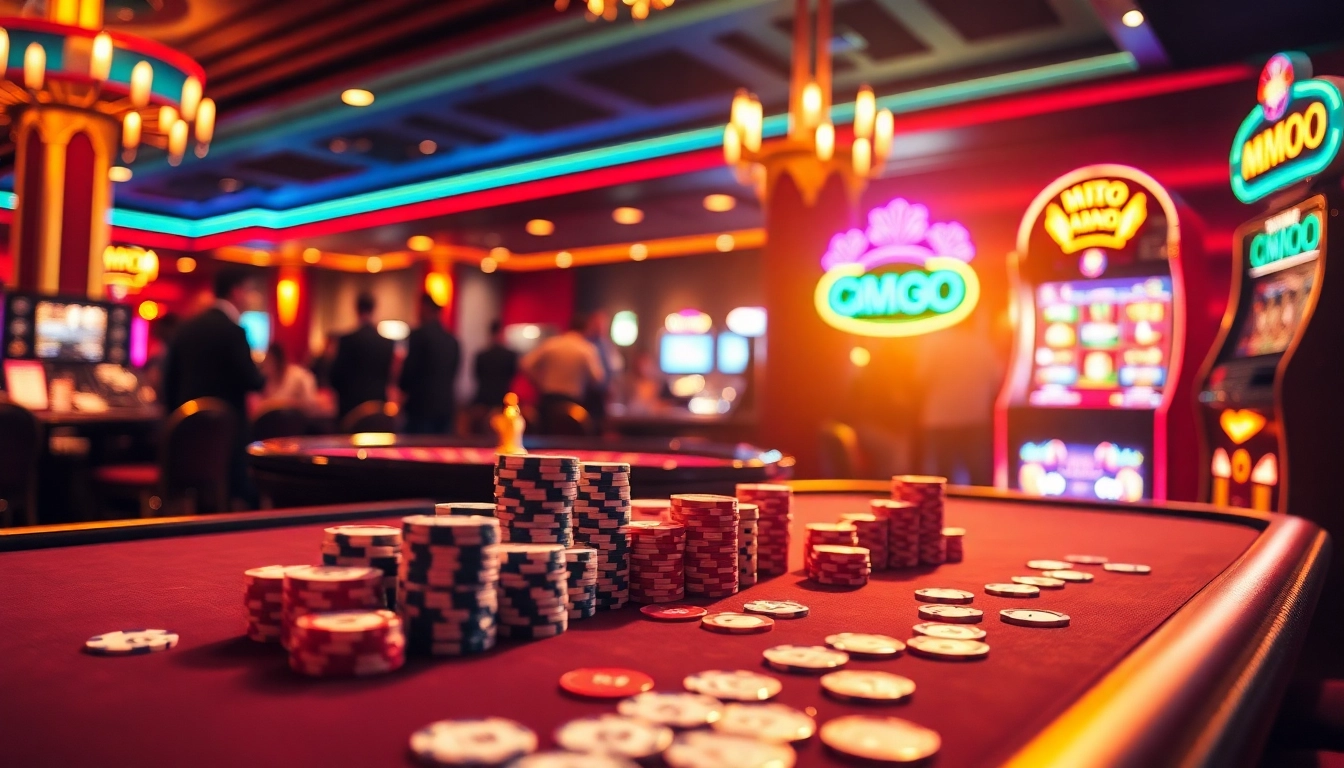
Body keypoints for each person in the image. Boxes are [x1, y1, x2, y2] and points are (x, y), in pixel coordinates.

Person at [162, 266, 265, 508]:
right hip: (226, 445)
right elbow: (253, 381)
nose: (250, 297)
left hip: (184, 440)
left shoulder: (186, 328)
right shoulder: (234, 331)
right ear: (236, 292)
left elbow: (168, 383)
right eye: (249, 291)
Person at [520, 312, 605, 431]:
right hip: (573, 403)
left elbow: (525, 364)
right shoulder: (587, 349)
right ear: (586, 329)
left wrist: (539, 382)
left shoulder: (552, 344)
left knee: (546, 436)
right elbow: (598, 379)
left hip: (548, 400)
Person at [398, 293, 461, 434]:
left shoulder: (419, 336)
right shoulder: (452, 341)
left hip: (420, 409)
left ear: (425, 308)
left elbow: (408, 374)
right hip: (446, 409)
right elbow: (454, 374)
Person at [329, 292, 394, 420]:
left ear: (357, 309)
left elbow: (335, 376)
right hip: (378, 407)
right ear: (373, 309)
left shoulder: (347, 340)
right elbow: (389, 376)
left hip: (350, 410)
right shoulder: (387, 343)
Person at [258, 342, 319, 414]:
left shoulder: (299, 377)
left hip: (299, 418)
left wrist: (286, 404)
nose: (266, 368)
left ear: (278, 361)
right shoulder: (269, 382)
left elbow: (309, 404)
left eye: (269, 362)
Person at [472, 320, 519, 409]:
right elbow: (512, 375)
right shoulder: (510, 355)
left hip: (484, 398)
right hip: (503, 396)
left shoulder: (482, 355)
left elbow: (477, 375)